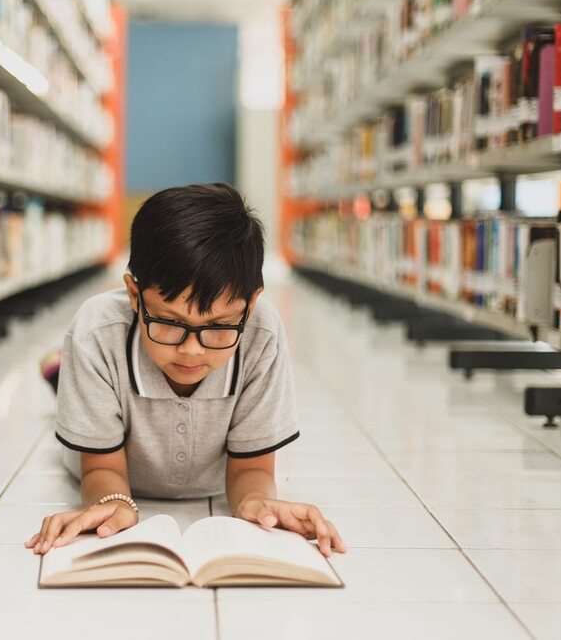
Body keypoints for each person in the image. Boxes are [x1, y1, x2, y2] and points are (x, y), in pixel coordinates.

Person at [25, 183, 346, 558]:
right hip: (108, 461)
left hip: (215, 479)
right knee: (76, 380)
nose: (191, 350)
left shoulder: (263, 332)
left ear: (251, 303)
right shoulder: (94, 332)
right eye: (168, 322)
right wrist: (111, 501)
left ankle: (62, 373)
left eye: (219, 326)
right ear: (133, 295)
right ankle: (61, 374)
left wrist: (259, 502)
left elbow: (250, 471)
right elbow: (100, 468)